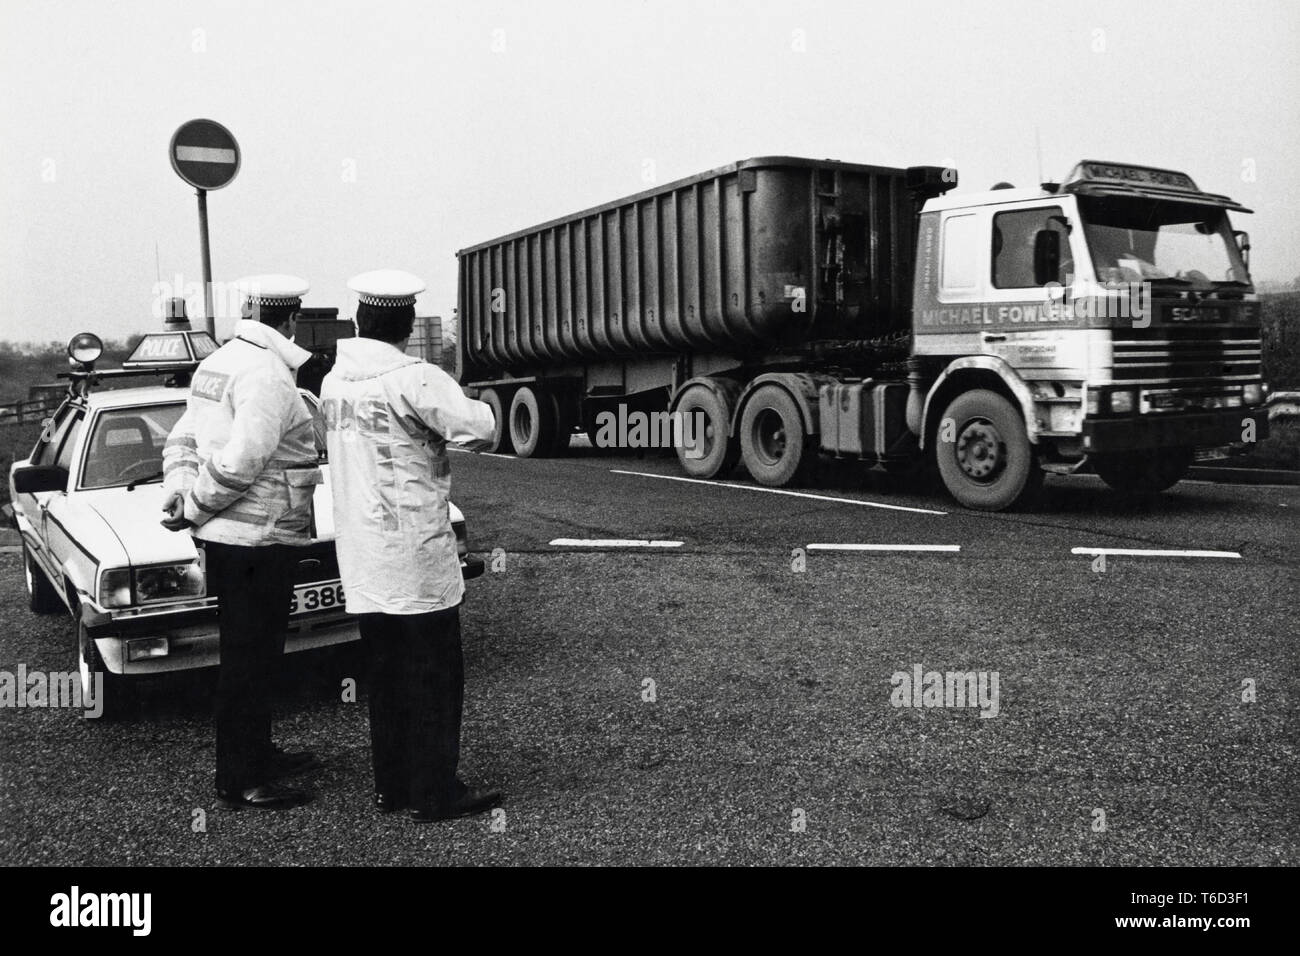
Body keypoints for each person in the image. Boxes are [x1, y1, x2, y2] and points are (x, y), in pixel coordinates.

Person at [321, 269, 500, 822]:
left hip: (363, 557)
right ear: (404, 325)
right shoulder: (415, 377)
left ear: (359, 320)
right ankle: (436, 792)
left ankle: (391, 785)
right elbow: (481, 427)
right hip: (414, 554)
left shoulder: (334, 382)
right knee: (434, 678)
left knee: (387, 677)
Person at [161, 274, 323, 811]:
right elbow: (243, 460)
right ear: (290, 319)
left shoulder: (217, 363)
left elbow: (183, 435)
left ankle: (258, 754)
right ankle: (243, 778)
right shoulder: (268, 375)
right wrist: (197, 506)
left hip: (231, 541)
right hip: (259, 538)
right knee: (251, 660)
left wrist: (180, 492)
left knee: (247, 654)